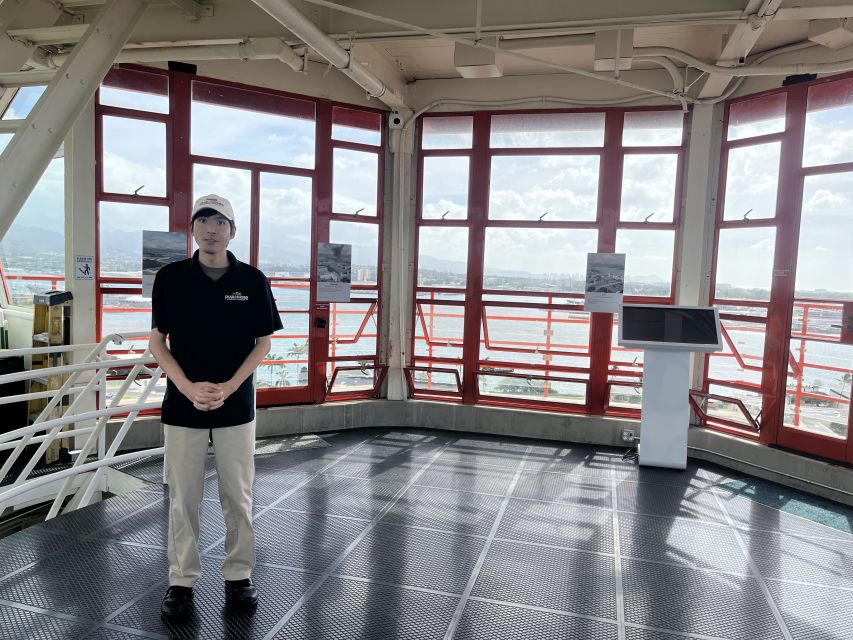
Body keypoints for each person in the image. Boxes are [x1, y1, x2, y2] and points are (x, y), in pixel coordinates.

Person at [149, 194, 282, 619]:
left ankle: (239, 576)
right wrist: (187, 387)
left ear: (232, 230)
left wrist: (229, 386)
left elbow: (263, 342)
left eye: (219, 221)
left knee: (238, 495)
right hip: (183, 403)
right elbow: (158, 342)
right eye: (203, 220)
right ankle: (181, 581)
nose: (211, 228)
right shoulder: (170, 278)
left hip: (235, 403)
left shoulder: (252, 280)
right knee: (182, 496)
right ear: (192, 228)